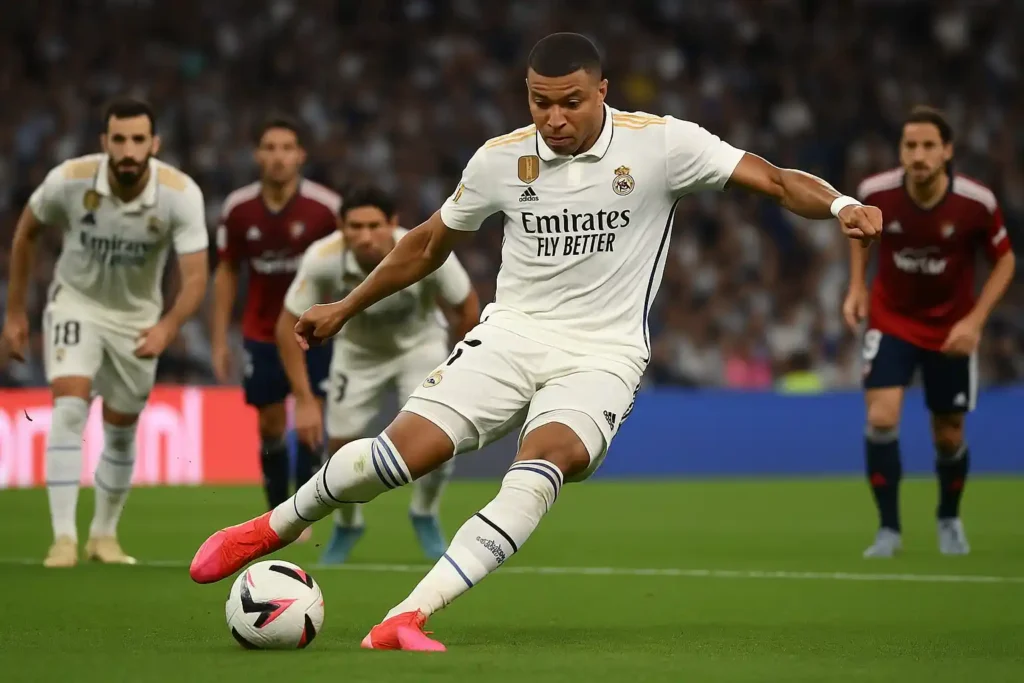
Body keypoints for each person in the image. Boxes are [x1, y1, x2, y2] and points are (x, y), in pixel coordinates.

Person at [190, 32, 881, 651]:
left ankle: (407, 615)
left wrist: (844, 206)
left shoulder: (662, 144)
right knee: (396, 456)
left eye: (571, 102)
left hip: (602, 354)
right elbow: (430, 242)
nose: (553, 118)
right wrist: (345, 304)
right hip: (510, 335)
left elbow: (777, 180)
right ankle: (273, 525)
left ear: (602, 92)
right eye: (540, 102)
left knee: (549, 460)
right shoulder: (501, 160)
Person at [1, 97, 210, 567]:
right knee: (69, 406)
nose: (129, 149)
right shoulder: (70, 180)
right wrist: (16, 314)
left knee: (120, 430)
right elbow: (26, 232)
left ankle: (103, 535)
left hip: (138, 321)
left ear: (154, 144)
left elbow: (196, 275)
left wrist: (167, 326)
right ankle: (62, 539)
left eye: (139, 139)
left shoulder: (180, 194)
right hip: (76, 304)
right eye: (120, 139)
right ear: (104, 143)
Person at [844, 106, 1015, 558]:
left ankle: (949, 518)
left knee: (949, 434)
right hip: (891, 319)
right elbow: (859, 234)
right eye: (910, 146)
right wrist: (857, 286)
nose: (918, 155)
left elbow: (1006, 260)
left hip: (949, 328)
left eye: (927, 146)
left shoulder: (976, 203)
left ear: (947, 151)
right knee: (881, 417)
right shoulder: (875, 192)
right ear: (901, 151)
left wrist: (975, 321)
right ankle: (888, 531)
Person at [276, 185, 479, 564]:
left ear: (393, 224)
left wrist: (461, 362)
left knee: (437, 437)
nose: (365, 236)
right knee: (339, 446)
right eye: (355, 226)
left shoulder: (424, 247)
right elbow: (286, 325)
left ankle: (424, 512)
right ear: (341, 227)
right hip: (357, 355)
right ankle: (349, 524)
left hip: (419, 347)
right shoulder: (322, 259)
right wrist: (303, 400)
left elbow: (466, 303)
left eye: (374, 225)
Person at [211, 116, 339, 538]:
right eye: (270, 147)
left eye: (287, 147)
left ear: (300, 155)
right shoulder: (238, 209)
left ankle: (298, 518)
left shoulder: (326, 209)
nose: (278, 156)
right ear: (257, 155)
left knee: (309, 421)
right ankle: (275, 510)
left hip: (314, 331)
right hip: (262, 332)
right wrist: (219, 338)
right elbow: (227, 271)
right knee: (269, 425)